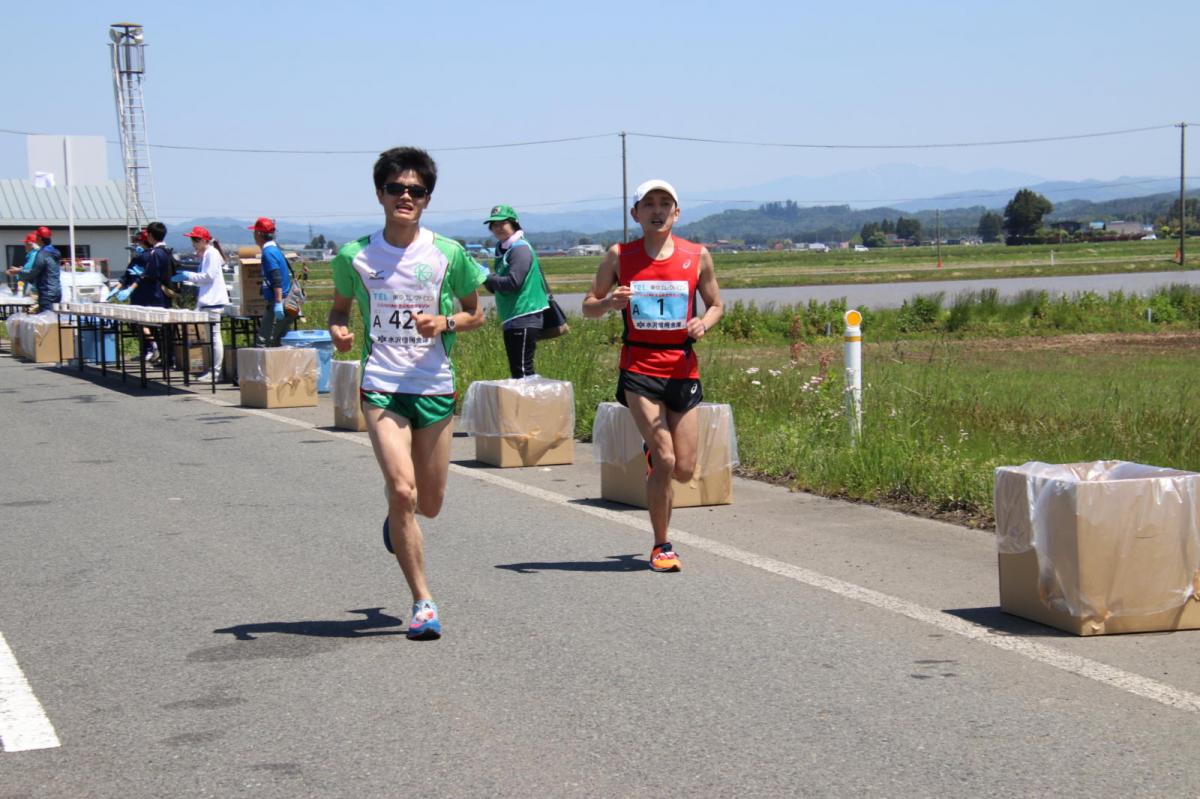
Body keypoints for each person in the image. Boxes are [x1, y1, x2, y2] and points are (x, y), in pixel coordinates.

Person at [327, 146, 485, 640]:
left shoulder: (448, 253)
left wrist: (444, 321)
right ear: (380, 193)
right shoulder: (355, 255)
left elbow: (476, 313)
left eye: (415, 190)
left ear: (427, 199)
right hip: (383, 386)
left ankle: (399, 523)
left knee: (429, 503)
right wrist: (338, 331)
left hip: (434, 385)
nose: (405, 197)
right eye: (396, 188)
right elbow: (337, 311)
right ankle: (423, 602)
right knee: (402, 489)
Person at [581, 179, 724, 573]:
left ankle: (654, 461)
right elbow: (587, 306)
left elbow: (716, 304)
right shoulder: (619, 255)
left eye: (666, 204)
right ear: (635, 214)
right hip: (639, 369)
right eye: (649, 204)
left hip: (682, 368)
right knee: (665, 458)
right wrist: (610, 302)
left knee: (683, 469)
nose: (657, 210)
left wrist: (704, 323)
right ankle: (662, 545)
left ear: (677, 213)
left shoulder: (697, 256)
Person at [481, 204, 549, 378]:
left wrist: (488, 277)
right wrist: (485, 279)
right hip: (512, 316)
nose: (497, 228)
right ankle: (525, 404)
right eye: (494, 225)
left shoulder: (519, 248)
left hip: (524, 314)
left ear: (513, 224)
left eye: (502, 223)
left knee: (523, 371)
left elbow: (513, 282)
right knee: (518, 370)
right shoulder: (503, 249)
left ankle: (531, 404)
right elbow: (496, 286)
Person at [170, 226, 230, 382]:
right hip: (208, 301)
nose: (193, 244)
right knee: (211, 338)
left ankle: (215, 373)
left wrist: (188, 275)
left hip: (213, 302)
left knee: (214, 338)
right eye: (192, 240)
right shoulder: (209, 254)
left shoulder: (211, 253)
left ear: (204, 240)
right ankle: (213, 371)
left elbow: (209, 276)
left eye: (195, 240)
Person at [117, 221, 175, 362]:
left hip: (154, 295)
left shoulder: (155, 253)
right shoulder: (167, 251)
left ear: (149, 236)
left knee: (157, 328)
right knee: (163, 329)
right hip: (163, 295)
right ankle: (166, 357)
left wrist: (130, 288)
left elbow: (148, 275)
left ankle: (165, 357)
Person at [248, 217, 292, 347]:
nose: (253, 235)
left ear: (260, 234)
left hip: (278, 302)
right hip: (287, 301)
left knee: (264, 341)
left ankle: (263, 367)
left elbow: (276, 278)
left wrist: (278, 303)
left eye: (255, 232)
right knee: (279, 341)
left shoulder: (268, 253)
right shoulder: (276, 250)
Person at [6, 226, 61, 312]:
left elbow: (33, 272)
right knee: (53, 318)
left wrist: (18, 271)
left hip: (46, 291)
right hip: (56, 290)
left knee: (46, 319)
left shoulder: (42, 254)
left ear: (39, 238)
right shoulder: (55, 252)